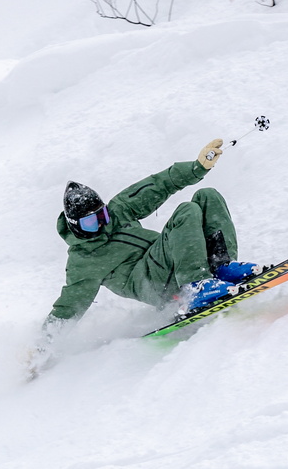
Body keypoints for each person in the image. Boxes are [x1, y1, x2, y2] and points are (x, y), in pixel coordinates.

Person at [31, 138, 264, 368]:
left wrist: (197, 167)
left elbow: (158, 184)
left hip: (178, 260)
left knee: (207, 195)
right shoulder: (82, 261)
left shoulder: (119, 211)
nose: (101, 224)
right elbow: (67, 308)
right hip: (156, 283)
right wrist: (41, 350)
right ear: (76, 226)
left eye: (102, 216)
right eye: (92, 222)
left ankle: (220, 266)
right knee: (187, 211)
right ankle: (195, 287)